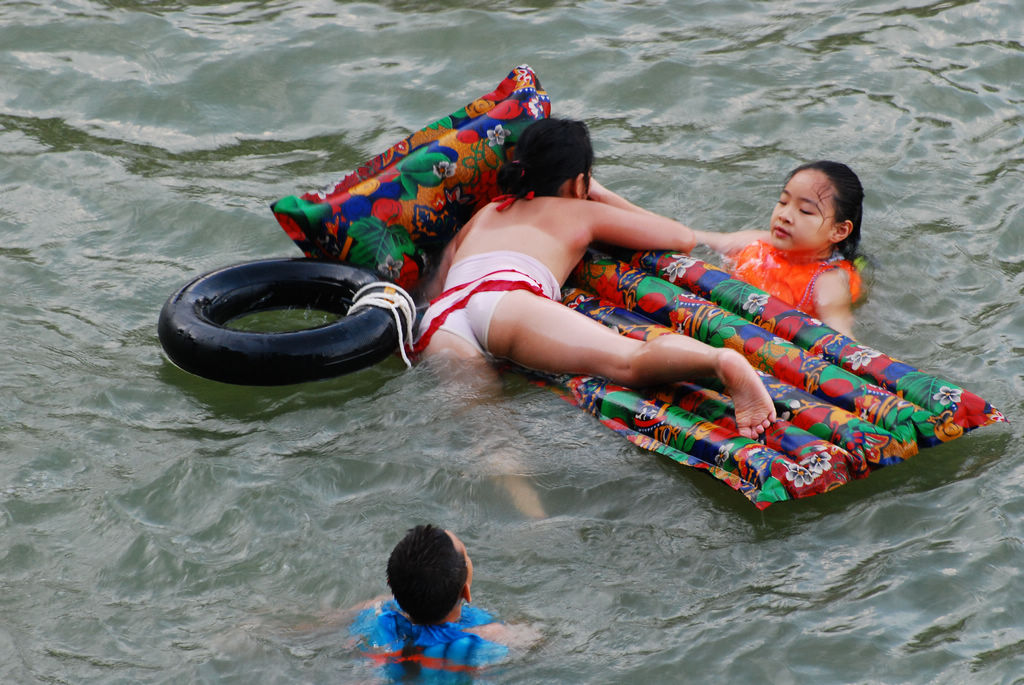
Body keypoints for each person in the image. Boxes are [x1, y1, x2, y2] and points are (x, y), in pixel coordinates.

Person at [413, 117, 776, 439]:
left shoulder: (489, 210)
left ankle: (532, 511)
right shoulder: (579, 211)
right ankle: (721, 362)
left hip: (442, 320)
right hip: (506, 303)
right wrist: (598, 194)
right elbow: (681, 239)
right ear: (577, 182)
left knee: (491, 434)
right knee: (630, 361)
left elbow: (438, 280)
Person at [691, 161, 864, 337]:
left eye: (805, 211)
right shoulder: (757, 241)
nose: (784, 216)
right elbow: (698, 240)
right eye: (783, 202)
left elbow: (840, 338)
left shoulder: (828, 282)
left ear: (838, 231)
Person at [349, 525, 521, 674]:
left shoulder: (377, 612)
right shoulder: (488, 636)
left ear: (391, 584)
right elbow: (535, 644)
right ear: (466, 592)